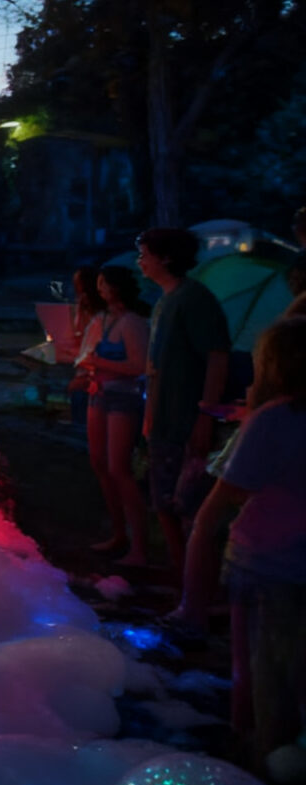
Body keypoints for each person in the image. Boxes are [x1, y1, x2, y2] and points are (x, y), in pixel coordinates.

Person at [169, 317, 306, 778]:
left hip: (264, 559)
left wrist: (201, 535)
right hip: (294, 559)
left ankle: (257, 756)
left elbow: (227, 492)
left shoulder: (277, 419)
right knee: (287, 666)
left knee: (259, 667)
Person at [137, 227, 233, 581]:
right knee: (163, 503)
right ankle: (184, 582)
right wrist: (149, 416)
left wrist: (206, 413)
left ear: (166, 257)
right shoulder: (164, 300)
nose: (140, 261)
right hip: (163, 420)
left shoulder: (195, 299)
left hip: (186, 418)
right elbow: (155, 368)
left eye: (145, 254)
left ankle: (202, 592)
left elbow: (217, 356)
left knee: (189, 507)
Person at [78, 265, 152, 563]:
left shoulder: (133, 323)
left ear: (116, 287)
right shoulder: (103, 319)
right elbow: (86, 353)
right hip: (99, 394)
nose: (99, 289)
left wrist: (102, 364)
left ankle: (139, 546)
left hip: (123, 397)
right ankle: (119, 532)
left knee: (119, 467)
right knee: (99, 462)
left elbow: (140, 366)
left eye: (103, 283)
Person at [65, 265, 107, 427]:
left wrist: (84, 379)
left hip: (94, 380)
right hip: (85, 373)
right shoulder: (88, 314)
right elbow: (80, 335)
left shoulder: (102, 319)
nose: (77, 293)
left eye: (79, 287)